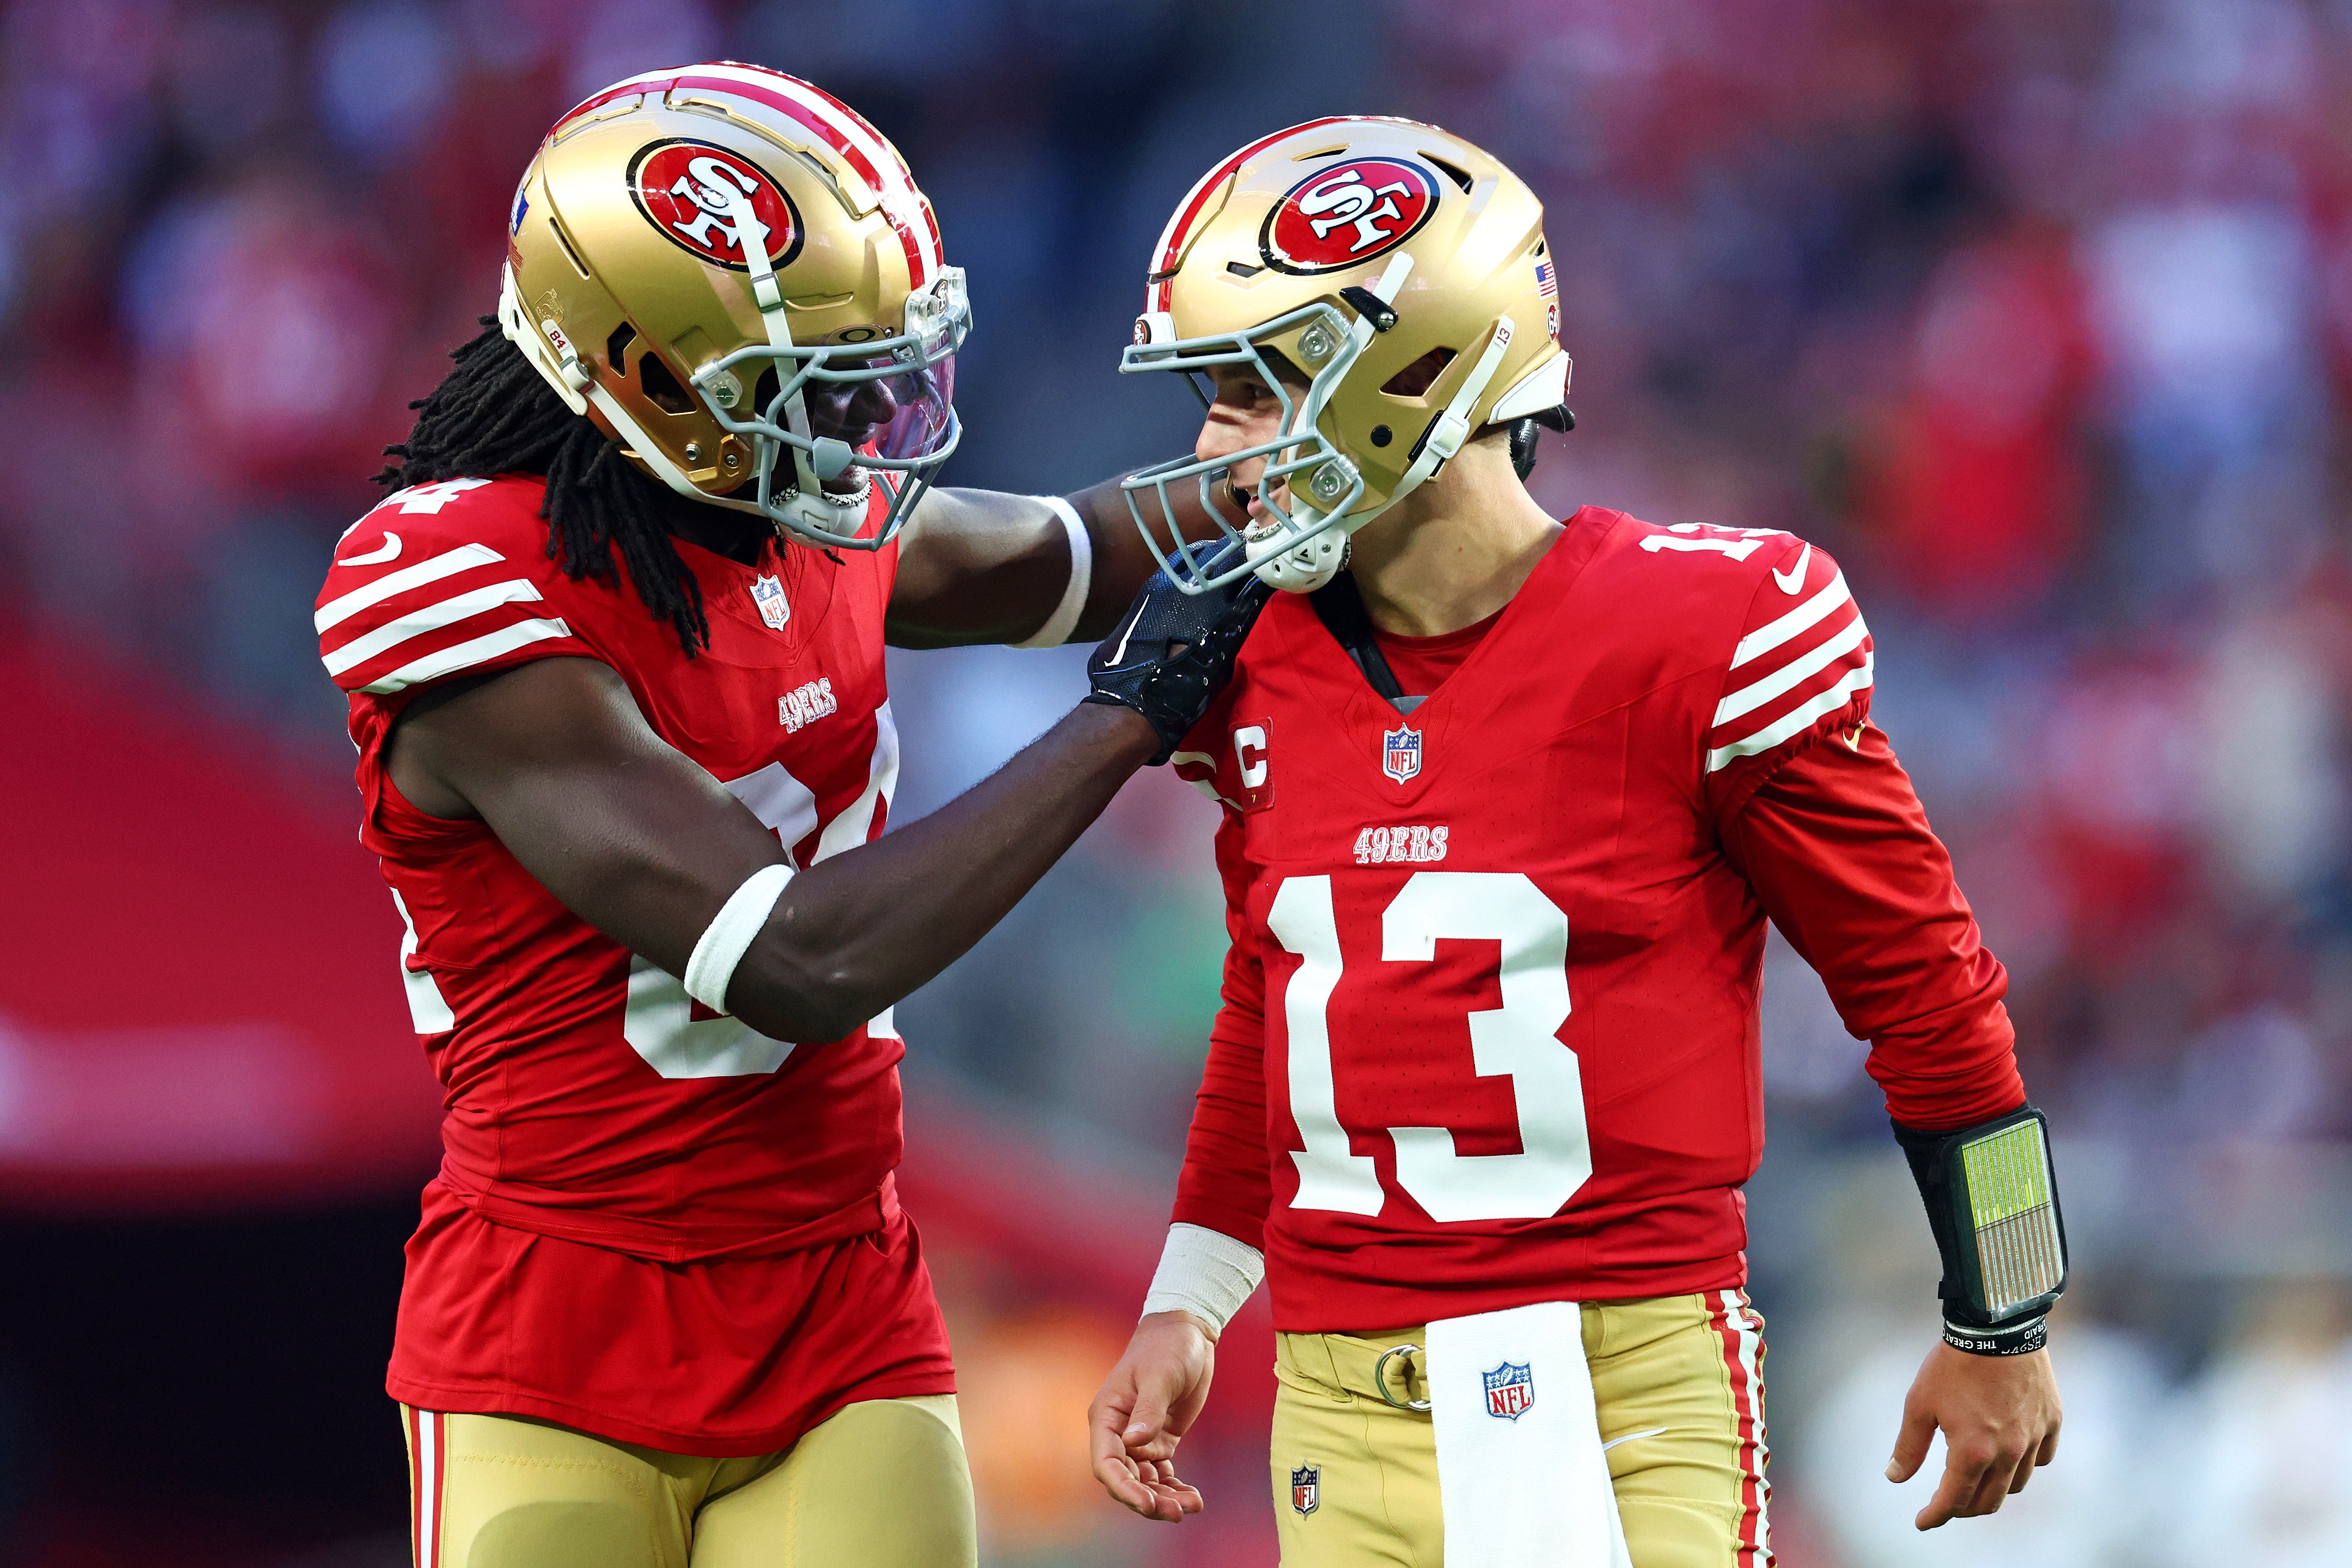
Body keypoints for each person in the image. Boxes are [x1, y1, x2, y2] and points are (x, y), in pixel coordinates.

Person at [1085, 117, 2069, 1568]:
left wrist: (2005, 1310)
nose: (1214, 450)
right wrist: (1191, 1293)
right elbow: (1277, 999)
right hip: (1338, 1399)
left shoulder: (1702, 628)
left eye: (1252, 392)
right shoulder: (1248, 657)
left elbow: (1927, 991)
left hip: (1622, 1381)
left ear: (1409, 379)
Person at [314, 64, 1259, 1568]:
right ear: (651, 377)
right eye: (818, 378)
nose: (873, 415)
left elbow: (1067, 550)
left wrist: (1313, 475)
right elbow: (793, 957)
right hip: (563, 1332)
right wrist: (1127, 720)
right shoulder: (464, 583)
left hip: (838, 1301)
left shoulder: (786, 512)